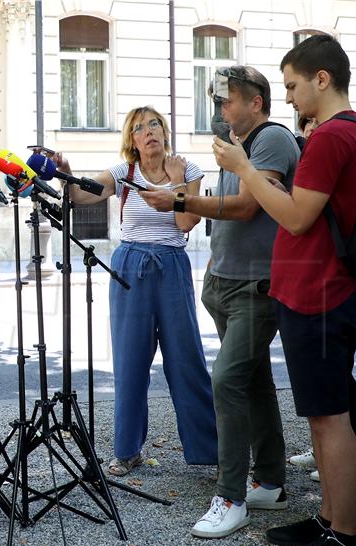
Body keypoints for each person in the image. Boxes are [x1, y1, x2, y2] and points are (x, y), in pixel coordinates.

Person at [213, 35, 356, 546]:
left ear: (321, 79)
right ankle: (329, 519)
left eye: (291, 86)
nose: (288, 98)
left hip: (321, 293)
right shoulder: (339, 134)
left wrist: (245, 167)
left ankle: (346, 540)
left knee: (330, 420)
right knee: (321, 415)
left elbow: (297, 216)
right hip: (316, 291)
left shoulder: (330, 138)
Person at [141, 65, 297, 539]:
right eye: (216, 102)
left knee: (227, 380)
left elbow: (250, 206)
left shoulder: (271, 139)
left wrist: (181, 203)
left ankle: (230, 497)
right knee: (252, 381)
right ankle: (269, 480)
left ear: (255, 102)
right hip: (226, 282)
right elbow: (231, 209)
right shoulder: (234, 147)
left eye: (227, 101)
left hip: (257, 286)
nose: (220, 111)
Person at [51, 106, 218, 477]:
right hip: (130, 266)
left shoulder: (187, 170)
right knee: (130, 361)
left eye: (155, 124)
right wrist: (65, 173)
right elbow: (83, 195)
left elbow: (187, 221)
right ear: (132, 141)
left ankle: (209, 450)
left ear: (164, 130)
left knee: (186, 359)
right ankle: (127, 451)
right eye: (139, 128)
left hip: (172, 265)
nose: (149, 131)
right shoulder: (123, 173)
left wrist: (175, 182)